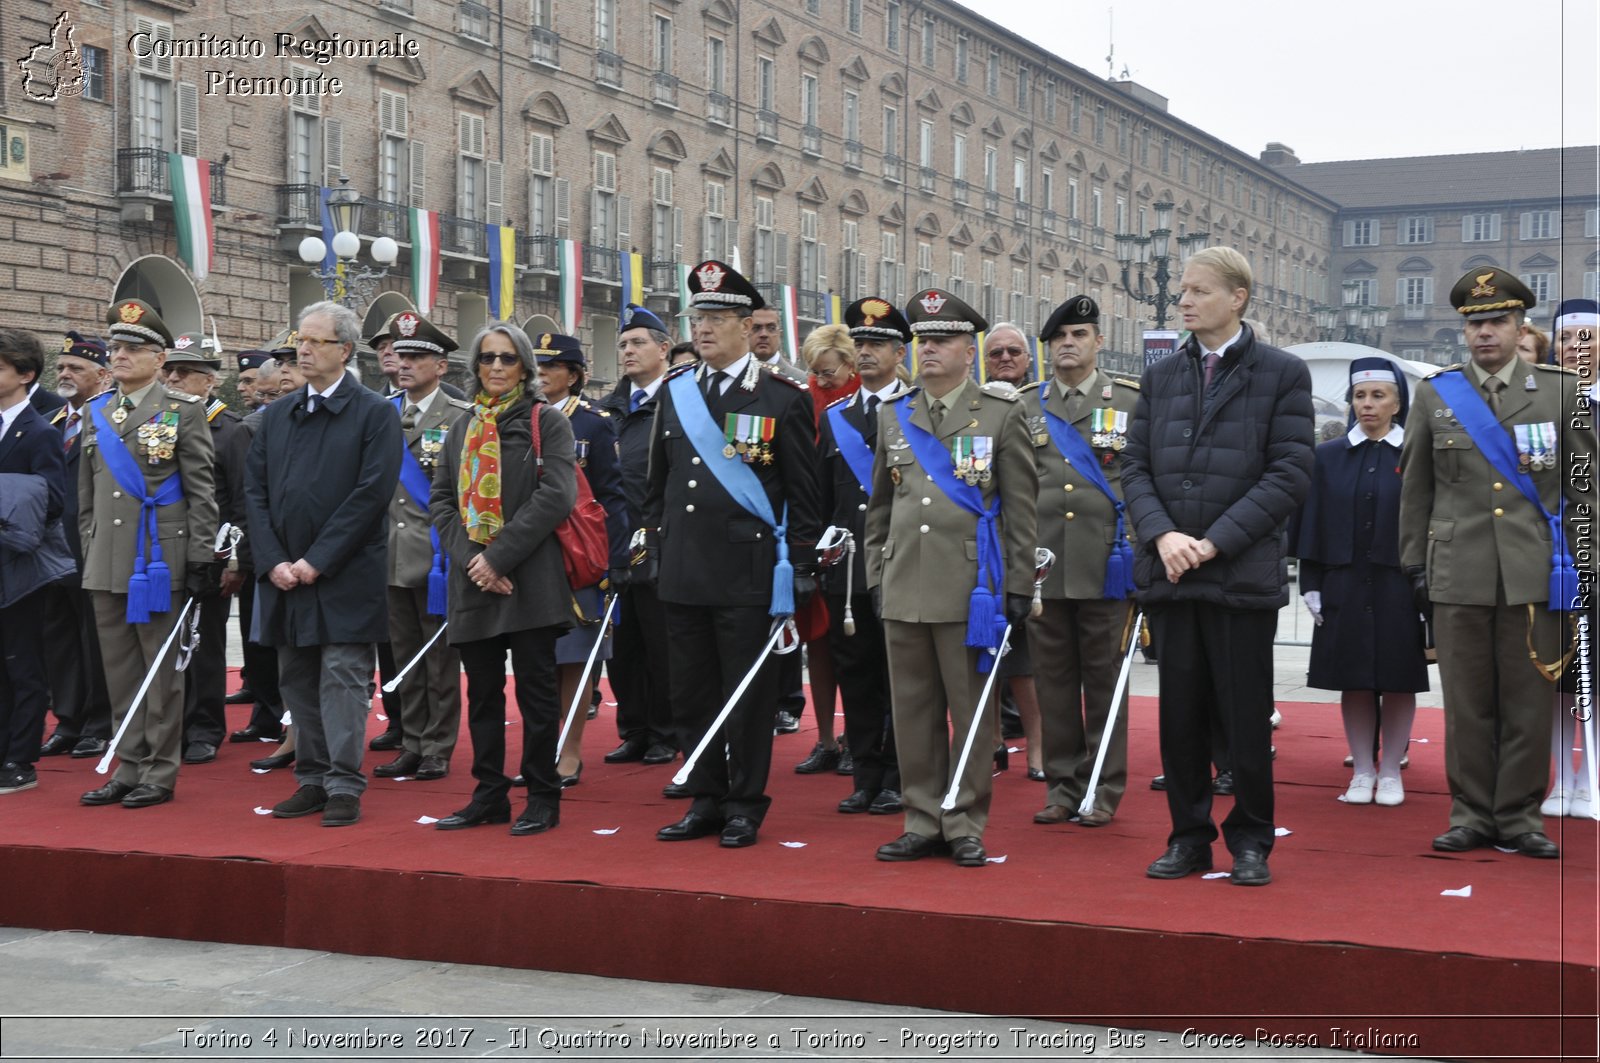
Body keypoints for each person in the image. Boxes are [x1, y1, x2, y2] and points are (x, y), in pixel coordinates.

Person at [1121, 246, 1314, 886]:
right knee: (1178, 719)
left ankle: (1251, 840)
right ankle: (1188, 838)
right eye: (1182, 290)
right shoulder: (1160, 376)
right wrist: (1162, 534)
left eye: (1199, 291)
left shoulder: (1281, 373)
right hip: (1171, 573)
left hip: (1236, 574)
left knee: (1243, 716)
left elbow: (1289, 472)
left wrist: (1213, 542)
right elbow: (1136, 469)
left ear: (1238, 297)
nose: (1184, 300)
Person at [1401, 270, 1593, 858]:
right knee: (1466, 702)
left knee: (1530, 703)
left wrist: (1586, 564)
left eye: (1496, 322)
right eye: (1474, 324)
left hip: (1538, 570)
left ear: (1518, 327)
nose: (1484, 333)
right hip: (1458, 570)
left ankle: (1519, 817)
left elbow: (1584, 488)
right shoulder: (1437, 394)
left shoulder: (1560, 392)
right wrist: (1415, 568)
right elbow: (1417, 489)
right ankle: (1470, 814)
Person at [643, 260, 823, 849]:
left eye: (718, 318)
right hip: (685, 569)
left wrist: (799, 567)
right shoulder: (675, 394)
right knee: (690, 694)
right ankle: (706, 797)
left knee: (747, 696)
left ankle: (745, 803)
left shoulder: (781, 398)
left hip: (748, 573)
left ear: (748, 327)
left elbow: (803, 495)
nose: (705, 329)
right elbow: (657, 488)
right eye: (699, 317)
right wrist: (651, 553)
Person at [865, 288, 1038, 867]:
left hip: (972, 587)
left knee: (970, 712)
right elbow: (881, 508)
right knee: (912, 711)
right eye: (923, 341)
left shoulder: (1000, 412)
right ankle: (920, 818)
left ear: (971, 350)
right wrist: (875, 575)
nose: (929, 350)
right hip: (904, 583)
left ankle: (963, 820)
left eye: (942, 341)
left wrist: (1018, 585)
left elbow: (1020, 509)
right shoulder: (895, 413)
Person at [244, 301, 402, 828]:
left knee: (342, 677)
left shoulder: (374, 412)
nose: (303, 350)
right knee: (297, 678)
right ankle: (310, 779)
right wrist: (272, 561)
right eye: (299, 341)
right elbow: (257, 493)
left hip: (344, 573)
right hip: (286, 575)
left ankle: (342, 784)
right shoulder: (278, 416)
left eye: (316, 341)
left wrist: (317, 559)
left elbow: (370, 495)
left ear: (345, 350)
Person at [429, 322, 576, 835]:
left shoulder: (546, 422)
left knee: (536, 696)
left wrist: (500, 558)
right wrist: (475, 559)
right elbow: (442, 500)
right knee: (483, 696)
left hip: (530, 578)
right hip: (474, 581)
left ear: (525, 368)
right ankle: (489, 793)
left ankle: (542, 794)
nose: (495, 367)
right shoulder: (461, 425)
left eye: (507, 359)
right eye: (487, 358)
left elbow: (556, 496)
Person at [78, 299, 219, 810]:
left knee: (160, 673)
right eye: (115, 346)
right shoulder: (97, 411)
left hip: (159, 560)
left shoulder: (182, 411)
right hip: (108, 560)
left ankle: (159, 771)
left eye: (132, 348)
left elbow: (202, 490)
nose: (119, 355)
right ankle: (127, 764)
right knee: (119, 671)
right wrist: (90, 547)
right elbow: (87, 495)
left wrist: (203, 555)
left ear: (159, 359)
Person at [1022, 296, 1141, 828]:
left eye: (1078, 334)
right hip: (1044, 566)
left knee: (1104, 680)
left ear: (1098, 342)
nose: (1067, 344)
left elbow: (1144, 481)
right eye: (1058, 337)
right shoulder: (1025, 405)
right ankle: (1062, 785)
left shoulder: (1131, 403)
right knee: (1053, 682)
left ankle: (1102, 787)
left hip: (1106, 563)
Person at [1292, 358, 1428, 807]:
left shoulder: (1414, 452)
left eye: (1378, 396)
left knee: (1398, 678)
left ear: (1397, 402)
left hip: (1399, 583)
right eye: (1360, 396)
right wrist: (1310, 581)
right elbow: (1310, 520)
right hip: (1344, 580)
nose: (1367, 405)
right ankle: (1361, 769)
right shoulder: (1328, 456)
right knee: (1352, 677)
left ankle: (1391, 771)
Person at [819, 297, 910, 815]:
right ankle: (865, 774)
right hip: (850, 568)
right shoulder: (837, 417)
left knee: (901, 676)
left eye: (878, 344)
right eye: (862, 344)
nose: (868, 352)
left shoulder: (917, 412)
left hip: (901, 564)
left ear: (901, 353)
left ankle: (898, 772)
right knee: (856, 674)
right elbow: (818, 496)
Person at [375, 312, 470, 783]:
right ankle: (411, 739)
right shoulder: (382, 413)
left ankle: (437, 745)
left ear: (441, 366)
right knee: (403, 655)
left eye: (416, 356)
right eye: (401, 354)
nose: (404, 362)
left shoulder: (460, 418)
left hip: (437, 557)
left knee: (438, 660)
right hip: (390, 554)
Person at [533, 331, 629, 787]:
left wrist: (609, 561)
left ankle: (569, 752)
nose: (542, 374)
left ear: (573, 375)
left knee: (573, 660)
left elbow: (610, 497)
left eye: (551, 366)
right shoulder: (519, 417)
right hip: (530, 556)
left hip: (576, 557)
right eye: (537, 365)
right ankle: (540, 749)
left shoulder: (593, 423)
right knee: (536, 662)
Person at [161, 334, 246, 766]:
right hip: (160, 553)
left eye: (184, 373)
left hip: (209, 551)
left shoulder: (230, 430)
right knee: (164, 644)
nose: (173, 378)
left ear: (209, 382)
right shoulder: (158, 419)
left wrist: (234, 559)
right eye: (169, 371)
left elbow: (239, 501)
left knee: (204, 644)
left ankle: (205, 727)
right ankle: (167, 726)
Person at [599, 305, 677, 768]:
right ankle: (634, 728)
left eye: (638, 343)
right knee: (622, 647)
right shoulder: (609, 408)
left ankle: (666, 731)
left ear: (663, 349)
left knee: (662, 644)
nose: (628, 351)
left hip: (661, 541)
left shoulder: (677, 402)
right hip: (616, 542)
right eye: (624, 345)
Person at [0, 328, 72, 796]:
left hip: (18, 566)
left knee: (21, 664)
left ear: (25, 375)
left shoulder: (40, 432)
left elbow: (53, 499)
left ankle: (20, 758)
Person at [39, 332, 114, 760]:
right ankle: (68, 720)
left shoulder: (110, 419)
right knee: (60, 640)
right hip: (51, 553)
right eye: (63, 367)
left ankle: (99, 723)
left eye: (76, 368)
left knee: (96, 640)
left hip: (95, 547)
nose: (65, 374)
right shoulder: (51, 423)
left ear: (103, 376)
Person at [791, 323, 858, 775]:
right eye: (814, 371)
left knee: (853, 646)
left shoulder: (870, 400)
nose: (821, 380)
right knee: (817, 640)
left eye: (828, 372)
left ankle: (859, 735)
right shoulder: (802, 399)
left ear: (850, 365)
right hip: (810, 528)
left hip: (852, 531)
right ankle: (825, 738)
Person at [982, 323, 1046, 779]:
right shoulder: (973, 408)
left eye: (1014, 352)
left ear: (1028, 359)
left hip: (1028, 544)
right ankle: (991, 744)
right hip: (981, 545)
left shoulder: (1042, 406)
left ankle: (1039, 749)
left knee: (1023, 662)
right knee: (980, 657)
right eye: (996, 352)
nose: (1005, 358)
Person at [1543, 298, 1598, 817]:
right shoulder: (1539, 404)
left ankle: (1591, 778)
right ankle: (1562, 777)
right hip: (1550, 564)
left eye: (1585, 339)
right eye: (1565, 339)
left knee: (1596, 678)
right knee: (1558, 680)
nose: (1574, 349)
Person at [751, 306, 807, 384]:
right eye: (756, 328)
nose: (764, 334)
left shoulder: (800, 380)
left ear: (780, 334)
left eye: (771, 328)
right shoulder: (733, 374)